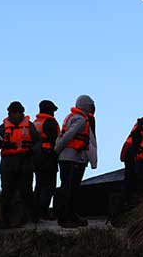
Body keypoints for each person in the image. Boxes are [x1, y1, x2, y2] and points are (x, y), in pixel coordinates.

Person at [0, 101, 41, 227]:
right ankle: (6, 220)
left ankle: (33, 218)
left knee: (27, 192)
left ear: (21, 113)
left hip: (25, 162)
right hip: (8, 164)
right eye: (11, 112)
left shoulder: (29, 126)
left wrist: (31, 151)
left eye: (16, 112)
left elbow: (38, 143)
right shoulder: (3, 127)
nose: (13, 115)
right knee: (7, 192)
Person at [54, 95, 97, 228]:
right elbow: (68, 135)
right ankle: (65, 218)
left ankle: (71, 215)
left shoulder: (71, 117)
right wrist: (57, 149)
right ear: (86, 105)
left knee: (68, 187)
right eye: (91, 105)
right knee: (69, 189)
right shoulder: (81, 119)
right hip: (73, 158)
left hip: (68, 158)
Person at [32, 100, 60, 220]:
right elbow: (56, 140)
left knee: (38, 185)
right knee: (49, 185)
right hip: (48, 157)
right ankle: (43, 210)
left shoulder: (35, 123)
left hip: (36, 157)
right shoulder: (51, 122)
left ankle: (35, 210)